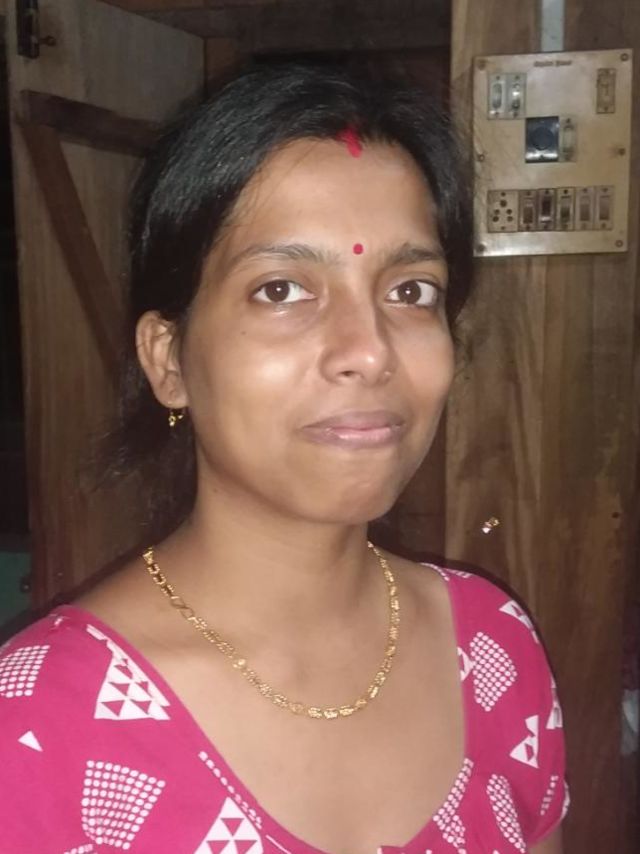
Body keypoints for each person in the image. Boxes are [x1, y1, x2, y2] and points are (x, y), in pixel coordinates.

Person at [0, 63, 568, 853]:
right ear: (168, 360)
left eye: (411, 291)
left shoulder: (493, 645)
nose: (370, 351)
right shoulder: (35, 728)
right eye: (281, 290)